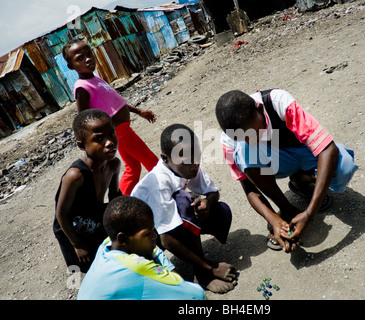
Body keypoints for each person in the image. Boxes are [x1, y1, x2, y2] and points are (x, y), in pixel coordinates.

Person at [215, 89, 358, 252]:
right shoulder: (228, 140)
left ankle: (301, 180)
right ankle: (288, 210)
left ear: (259, 110)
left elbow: (328, 150)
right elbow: (249, 189)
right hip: (277, 163)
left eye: (253, 133)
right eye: (240, 137)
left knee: (343, 166)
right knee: (244, 151)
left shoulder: (277, 102)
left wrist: (310, 213)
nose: (250, 140)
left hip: (306, 151)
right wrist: (275, 220)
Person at [131, 124, 237, 294]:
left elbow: (213, 192)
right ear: (165, 159)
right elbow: (166, 239)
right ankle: (202, 274)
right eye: (185, 160)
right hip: (141, 246)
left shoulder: (187, 165)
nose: (194, 165)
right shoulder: (158, 184)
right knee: (183, 200)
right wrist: (209, 267)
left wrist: (207, 203)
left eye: (196, 156)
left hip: (162, 229)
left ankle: (199, 264)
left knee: (220, 210)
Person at [62, 36, 159, 195]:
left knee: (133, 168)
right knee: (153, 163)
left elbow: (116, 103)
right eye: (80, 58)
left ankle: (120, 202)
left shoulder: (95, 78)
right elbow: (84, 118)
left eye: (89, 54)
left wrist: (139, 111)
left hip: (121, 130)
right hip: (120, 132)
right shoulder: (82, 87)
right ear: (71, 66)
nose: (87, 59)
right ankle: (173, 194)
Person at [77, 196, 205, 300]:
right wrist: (171, 274)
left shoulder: (106, 246)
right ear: (123, 239)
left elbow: (154, 250)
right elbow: (196, 294)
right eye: (147, 234)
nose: (156, 236)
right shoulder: (136, 267)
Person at [53, 109, 122, 273]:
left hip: (95, 214)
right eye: (98, 139)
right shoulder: (75, 176)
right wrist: (77, 244)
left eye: (111, 134)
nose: (109, 142)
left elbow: (114, 197)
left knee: (111, 258)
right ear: (81, 145)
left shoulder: (113, 164)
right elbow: (61, 214)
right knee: (84, 266)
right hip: (72, 227)